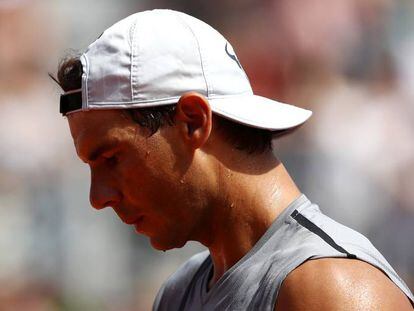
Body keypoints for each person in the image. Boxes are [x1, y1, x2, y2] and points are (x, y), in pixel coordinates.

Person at [54, 9, 414, 310]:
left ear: (193, 122)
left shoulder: (331, 291)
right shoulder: (178, 295)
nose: (98, 197)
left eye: (112, 158)